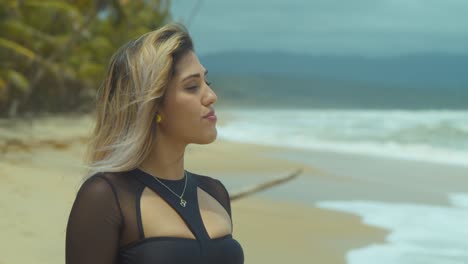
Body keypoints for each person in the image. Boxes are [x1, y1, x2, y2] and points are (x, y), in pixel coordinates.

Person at [65, 23, 244, 264]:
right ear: (153, 105)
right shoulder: (107, 197)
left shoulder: (215, 192)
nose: (211, 96)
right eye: (192, 87)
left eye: (206, 83)